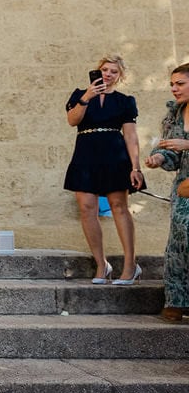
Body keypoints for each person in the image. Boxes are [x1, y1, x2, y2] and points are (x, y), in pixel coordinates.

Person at [64, 55, 143, 284]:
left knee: (119, 207)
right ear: (98, 71)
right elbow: (72, 120)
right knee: (87, 208)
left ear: (120, 76)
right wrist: (88, 96)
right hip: (86, 154)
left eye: (113, 71)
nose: (108, 74)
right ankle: (102, 265)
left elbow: (130, 135)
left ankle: (130, 266)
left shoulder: (124, 101)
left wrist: (135, 167)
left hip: (114, 155)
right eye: (104, 69)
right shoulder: (80, 95)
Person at [144, 62, 189, 322]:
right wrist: (160, 158)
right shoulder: (175, 114)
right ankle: (176, 301)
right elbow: (173, 154)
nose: (174, 89)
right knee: (178, 245)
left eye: (179, 84)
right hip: (183, 189)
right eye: (172, 84)